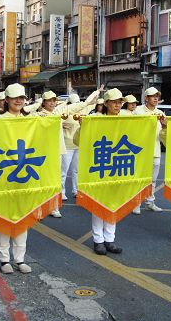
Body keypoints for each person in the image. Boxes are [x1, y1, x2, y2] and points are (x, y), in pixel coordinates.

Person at [74, 88, 124, 255]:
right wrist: (82, 126)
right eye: (115, 102)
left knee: (113, 204)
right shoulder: (94, 119)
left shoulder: (128, 119)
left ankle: (110, 239)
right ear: (107, 103)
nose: (118, 105)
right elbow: (78, 140)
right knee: (98, 204)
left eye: (120, 102)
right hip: (99, 165)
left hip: (118, 165)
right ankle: (98, 240)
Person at [0, 83, 33, 274]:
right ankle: (4, 259)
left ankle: (20, 259)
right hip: (4, 175)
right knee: (4, 218)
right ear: (7, 100)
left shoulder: (31, 121)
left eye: (22, 98)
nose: (19, 101)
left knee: (22, 218)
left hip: (25, 174)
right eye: (15, 98)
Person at [60, 86, 103, 201]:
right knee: (64, 170)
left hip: (79, 144)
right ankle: (61, 192)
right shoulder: (65, 112)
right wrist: (63, 126)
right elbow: (58, 125)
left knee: (77, 170)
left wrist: (97, 92)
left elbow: (91, 101)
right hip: (67, 145)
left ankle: (76, 190)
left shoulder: (84, 110)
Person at [32, 91, 68, 218]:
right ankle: (38, 209)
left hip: (57, 150)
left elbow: (81, 105)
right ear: (44, 102)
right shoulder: (37, 115)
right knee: (41, 180)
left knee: (55, 180)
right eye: (49, 101)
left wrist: (96, 93)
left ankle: (54, 207)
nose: (52, 103)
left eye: (54, 100)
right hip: (42, 151)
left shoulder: (58, 113)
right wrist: (36, 106)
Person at [132, 87, 166, 214]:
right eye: (153, 96)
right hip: (140, 151)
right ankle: (136, 203)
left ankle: (150, 202)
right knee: (139, 178)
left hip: (155, 150)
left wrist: (165, 126)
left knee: (152, 179)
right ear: (146, 98)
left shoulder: (160, 113)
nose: (156, 98)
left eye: (157, 96)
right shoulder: (138, 111)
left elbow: (163, 133)